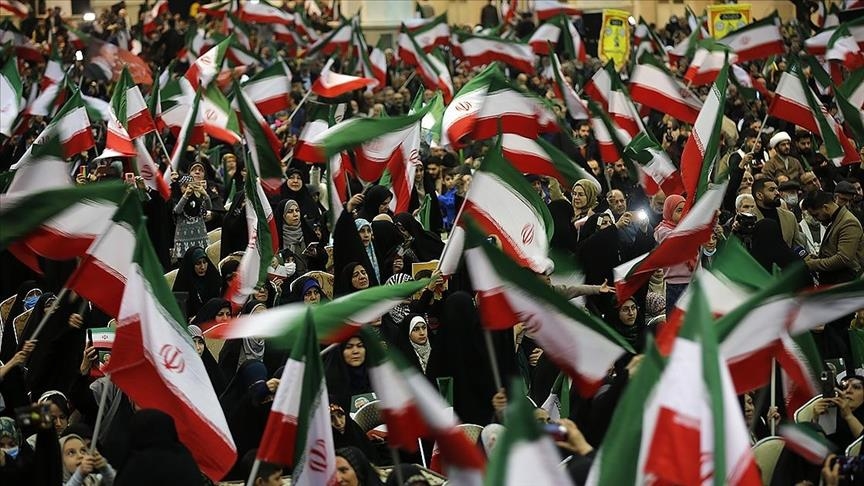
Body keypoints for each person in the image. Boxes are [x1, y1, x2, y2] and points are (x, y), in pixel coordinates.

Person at [801, 190, 864, 284]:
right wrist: (818, 258)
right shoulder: (836, 220)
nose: (816, 219)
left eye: (816, 215)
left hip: (845, 282)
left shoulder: (848, 223)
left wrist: (811, 264)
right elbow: (833, 251)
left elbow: (843, 259)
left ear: (825, 207)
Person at [653, 194, 692, 314]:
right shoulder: (662, 231)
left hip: (693, 282)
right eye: (679, 210)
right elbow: (678, 241)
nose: (683, 213)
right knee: (676, 321)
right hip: (676, 285)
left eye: (686, 210)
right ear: (669, 212)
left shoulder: (690, 228)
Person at [811, 375, 864, 451]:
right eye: (845, 387)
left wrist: (849, 416)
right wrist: (816, 419)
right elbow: (821, 444)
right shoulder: (833, 411)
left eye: (856, 387)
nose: (848, 391)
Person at [172, 246, 222, 319]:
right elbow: (179, 313)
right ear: (191, 265)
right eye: (198, 263)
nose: (202, 267)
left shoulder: (214, 279)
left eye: (204, 262)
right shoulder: (182, 285)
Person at [172, 175, 212, 260]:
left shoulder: (198, 198)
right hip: (184, 240)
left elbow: (209, 207)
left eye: (190, 185)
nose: (188, 188)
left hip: (200, 238)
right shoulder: (176, 198)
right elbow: (177, 210)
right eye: (185, 186)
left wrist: (205, 194)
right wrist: (186, 195)